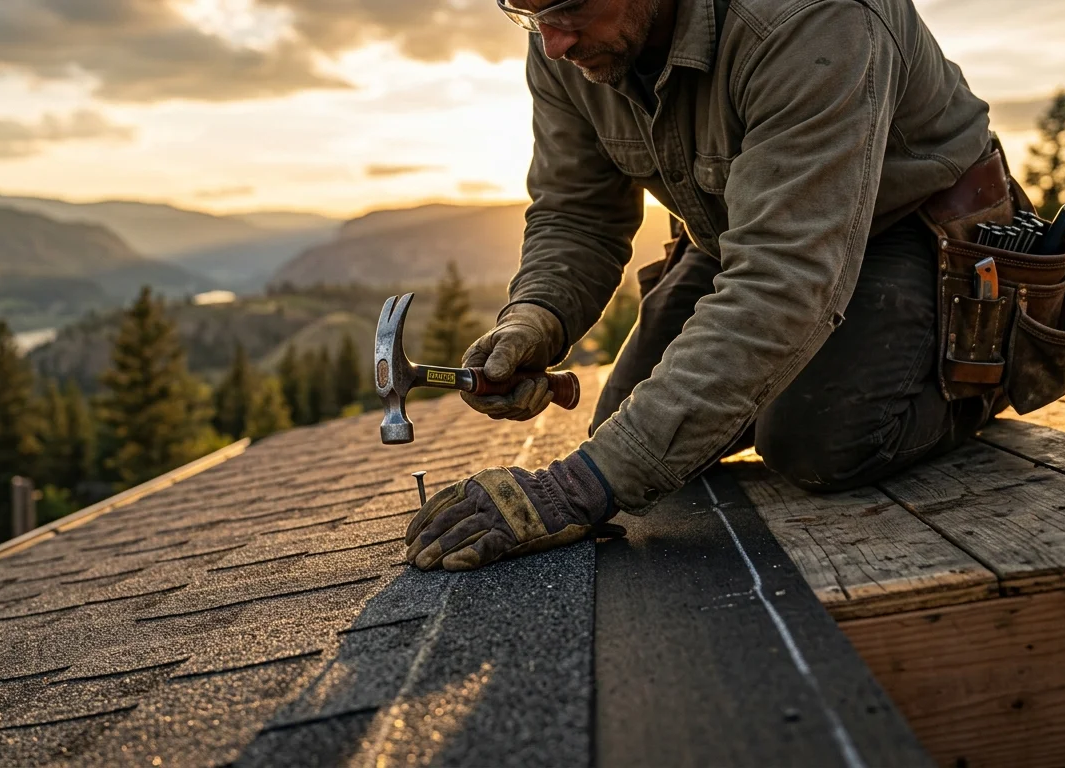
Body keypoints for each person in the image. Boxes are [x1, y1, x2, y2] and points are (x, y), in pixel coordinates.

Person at [406, 0, 1000, 572]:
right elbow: (578, 213)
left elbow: (782, 277)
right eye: (529, 14)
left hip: (908, 230)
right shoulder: (562, 43)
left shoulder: (813, 16)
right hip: (746, 239)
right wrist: (536, 317)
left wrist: (575, 488)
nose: (552, 43)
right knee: (625, 424)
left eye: (570, 7)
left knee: (816, 442)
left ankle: (986, 369)